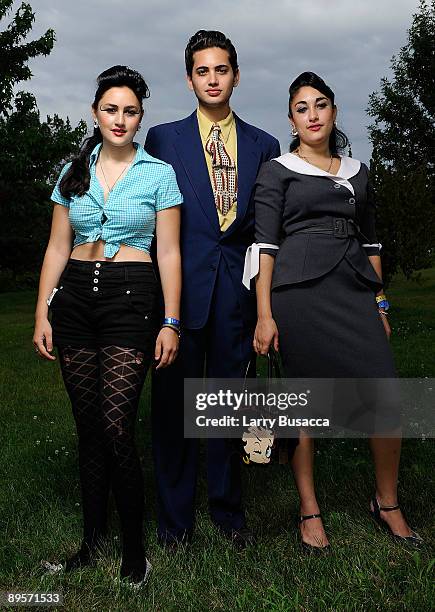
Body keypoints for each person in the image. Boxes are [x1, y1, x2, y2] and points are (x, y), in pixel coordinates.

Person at [247, 71, 422, 550]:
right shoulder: (276, 170)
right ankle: (309, 509)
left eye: (320, 104)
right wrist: (264, 313)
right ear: (292, 118)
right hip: (297, 294)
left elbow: (372, 242)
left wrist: (380, 300)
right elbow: (265, 244)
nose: (312, 114)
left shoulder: (359, 172)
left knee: (385, 397)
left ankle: (387, 503)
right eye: (302, 108)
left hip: (353, 289)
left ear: (334, 111)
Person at [33, 65, 182, 585]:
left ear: (141, 116)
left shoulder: (158, 173)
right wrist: (41, 312)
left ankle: (133, 551)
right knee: (89, 429)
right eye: (111, 109)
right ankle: (90, 542)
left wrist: (170, 320)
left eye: (131, 111)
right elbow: (56, 246)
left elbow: (169, 251)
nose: (120, 119)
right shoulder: (72, 171)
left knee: (117, 425)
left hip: (131, 300)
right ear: (95, 113)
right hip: (73, 300)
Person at [145, 30, 280, 547]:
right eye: (203, 71)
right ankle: (175, 524)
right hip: (179, 292)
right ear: (189, 79)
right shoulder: (164, 138)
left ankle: (227, 515)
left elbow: (263, 231)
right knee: (174, 409)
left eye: (221, 70)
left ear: (236, 75)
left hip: (236, 296)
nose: (213, 79)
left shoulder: (262, 145)